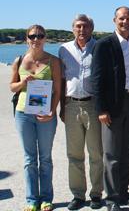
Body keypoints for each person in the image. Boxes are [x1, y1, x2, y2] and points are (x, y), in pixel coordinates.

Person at [91, 6, 129, 211]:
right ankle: (111, 199)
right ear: (114, 20)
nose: (125, 22)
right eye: (121, 18)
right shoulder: (104, 45)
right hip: (112, 105)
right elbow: (97, 79)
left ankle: (123, 192)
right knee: (111, 154)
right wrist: (101, 109)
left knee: (127, 151)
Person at [10, 24, 62, 211]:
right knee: (29, 159)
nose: (36, 39)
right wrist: (22, 82)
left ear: (45, 38)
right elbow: (12, 87)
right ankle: (32, 200)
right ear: (27, 38)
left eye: (40, 36)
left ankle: (46, 198)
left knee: (45, 158)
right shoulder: (19, 60)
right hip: (23, 114)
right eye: (32, 36)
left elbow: (57, 90)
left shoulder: (53, 61)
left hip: (45, 115)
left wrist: (52, 110)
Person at [59, 14, 103, 210]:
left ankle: (96, 194)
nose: (82, 30)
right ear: (73, 29)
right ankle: (78, 195)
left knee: (96, 153)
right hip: (71, 105)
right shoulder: (64, 50)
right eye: (78, 26)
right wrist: (61, 106)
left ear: (91, 28)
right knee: (74, 154)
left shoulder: (100, 47)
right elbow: (61, 81)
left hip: (93, 105)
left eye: (85, 26)